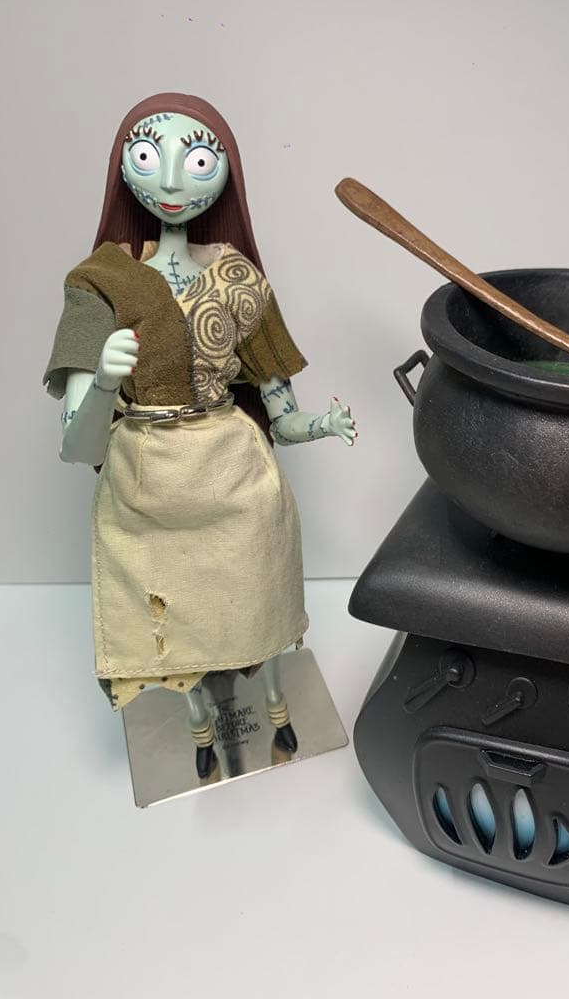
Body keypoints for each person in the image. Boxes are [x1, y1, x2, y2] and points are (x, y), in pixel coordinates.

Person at [43, 93, 356, 779]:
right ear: (123, 169)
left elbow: (281, 413)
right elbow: (77, 445)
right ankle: (201, 728)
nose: (172, 181)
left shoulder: (240, 280)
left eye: (198, 161)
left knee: (255, 601)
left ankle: (276, 709)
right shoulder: (99, 282)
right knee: (166, 619)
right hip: (144, 479)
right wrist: (104, 381)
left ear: (227, 173)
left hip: (233, 473)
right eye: (149, 157)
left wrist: (322, 425)